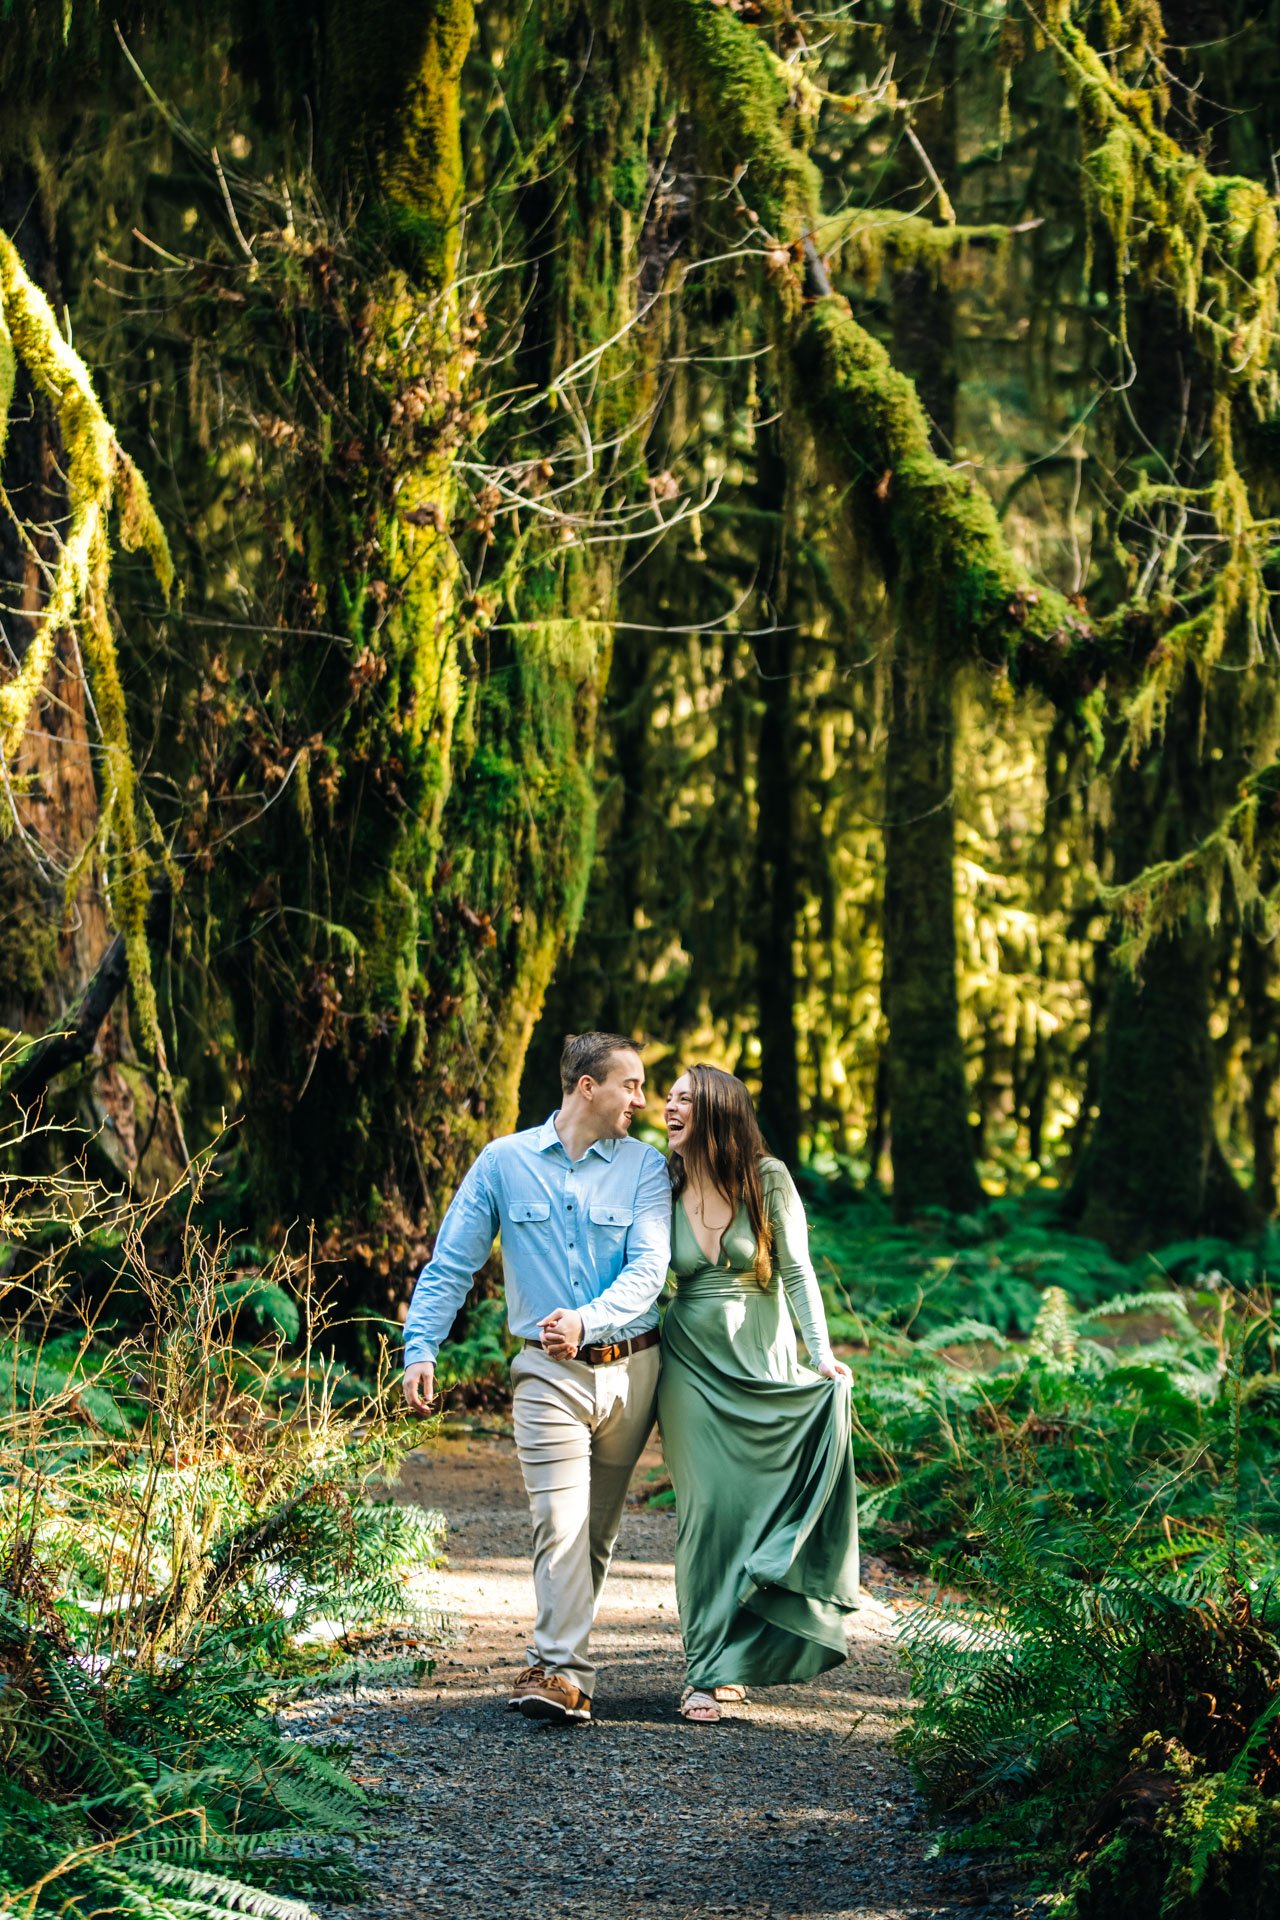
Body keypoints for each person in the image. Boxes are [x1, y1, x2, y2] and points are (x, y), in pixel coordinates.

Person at [402, 1032, 670, 1726]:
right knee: (559, 1522)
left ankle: (564, 1669)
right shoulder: (504, 1161)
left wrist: (587, 1317)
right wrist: (421, 1345)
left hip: (633, 1370)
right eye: (631, 1085)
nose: (643, 1100)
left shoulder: (645, 1168)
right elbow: (452, 1261)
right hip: (547, 1374)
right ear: (588, 1086)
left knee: (596, 1534)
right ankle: (559, 1671)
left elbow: (648, 1273)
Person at [658, 1064, 859, 1724]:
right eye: (669, 1096)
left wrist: (822, 1355)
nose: (669, 1105)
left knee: (754, 1511)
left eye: (684, 1097)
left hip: (765, 1365)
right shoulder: (662, 1180)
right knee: (707, 1510)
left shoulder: (765, 1179)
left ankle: (734, 1658)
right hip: (690, 1366)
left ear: (716, 1109)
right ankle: (701, 1670)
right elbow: (637, 1271)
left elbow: (798, 1273)